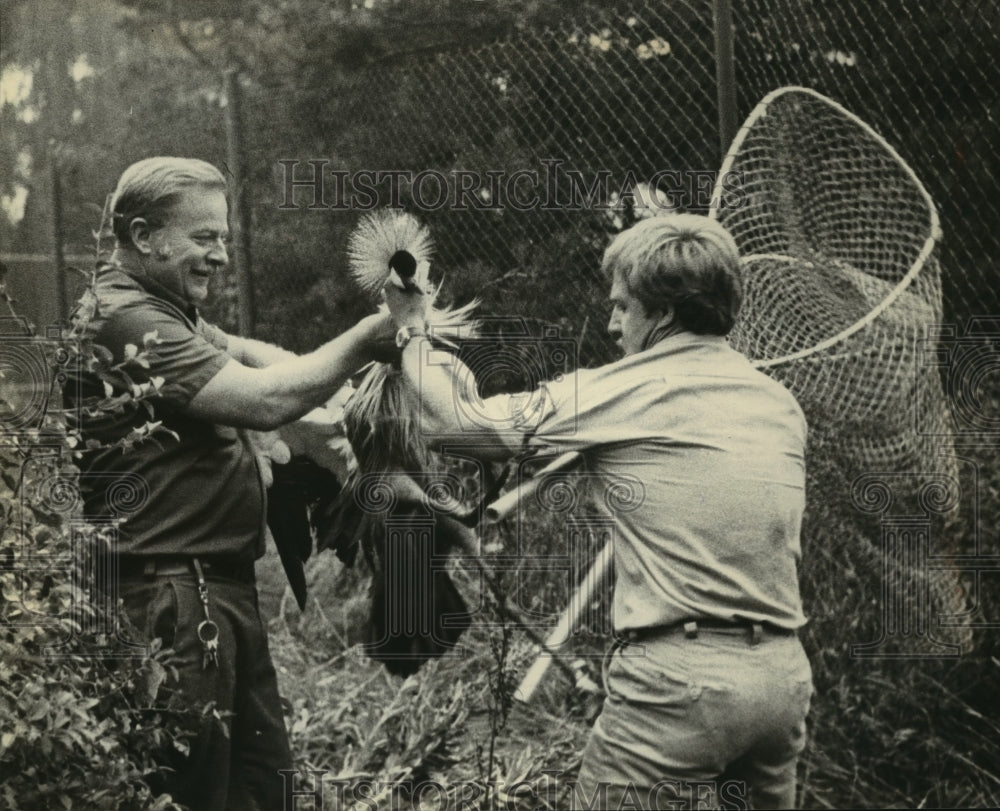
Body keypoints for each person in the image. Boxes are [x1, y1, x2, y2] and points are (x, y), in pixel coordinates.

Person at [383, 213, 814, 810]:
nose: (612, 326)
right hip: (781, 680)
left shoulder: (624, 388)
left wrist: (411, 329)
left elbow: (453, 423)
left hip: (680, 684)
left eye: (621, 307)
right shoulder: (779, 403)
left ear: (663, 312)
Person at [67, 157, 394, 810]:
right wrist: (368, 339)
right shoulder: (125, 319)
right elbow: (263, 399)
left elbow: (244, 352)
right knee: (192, 794)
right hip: (173, 599)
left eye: (223, 237)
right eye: (204, 237)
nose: (219, 255)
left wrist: (332, 404)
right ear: (144, 236)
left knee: (261, 789)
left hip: (215, 591)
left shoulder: (168, 308)